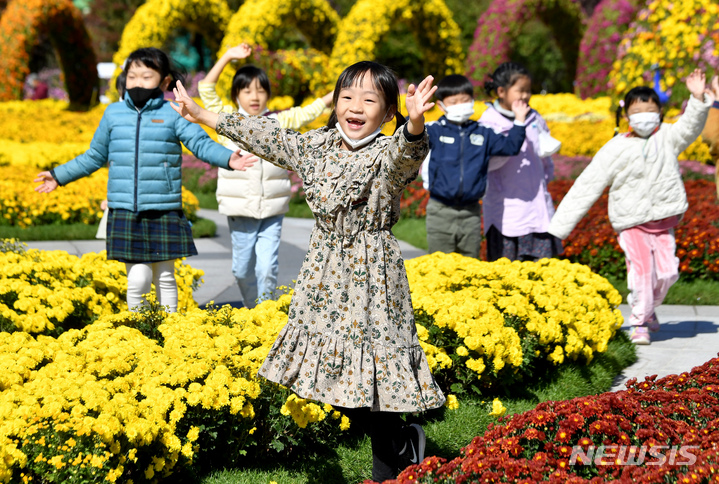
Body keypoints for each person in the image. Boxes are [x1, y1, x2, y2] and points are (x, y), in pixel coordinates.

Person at [171, 61, 445, 481]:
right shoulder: (316, 145)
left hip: (373, 272)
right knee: (334, 383)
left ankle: (390, 465)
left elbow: (404, 161)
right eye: (347, 97)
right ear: (335, 102)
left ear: (388, 112)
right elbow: (268, 136)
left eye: (369, 100)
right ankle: (403, 441)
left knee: (375, 381)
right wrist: (204, 115)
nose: (355, 107)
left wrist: (413, 125)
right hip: (324, 274)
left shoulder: (386, 150)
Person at [33, 47, 253, 313]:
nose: (137, 82)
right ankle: (141, 328)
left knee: (165, 277)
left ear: (164, 82)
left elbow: (200, 143)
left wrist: (229, 158)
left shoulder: (174, 112)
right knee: (138, 279)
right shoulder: (113, 114)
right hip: (125, 211)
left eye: (146, 76)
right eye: (132, 76)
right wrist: (58, 176)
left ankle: (169, 330)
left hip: (163, 208)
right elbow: (93, 156)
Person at [548, 69, 716, 345]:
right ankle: (639, 322)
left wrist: (697, 98)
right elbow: (587, 185)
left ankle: (648, 310)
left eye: (650, 110)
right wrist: (559, 227)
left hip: (663, 221)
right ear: (627, 116)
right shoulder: (615, 148)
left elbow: (690, 126)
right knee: (642, 273)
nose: (644, 117)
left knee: (668, 274)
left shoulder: (668, 138)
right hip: (631, 222)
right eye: (638, 111)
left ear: (660, 112)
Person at [198, 43, 333, 308]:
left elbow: (309, 112)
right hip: (241, 210)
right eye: (247, 90)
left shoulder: (277, 122)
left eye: (260, 90)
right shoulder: (227, 121)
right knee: (241, 270)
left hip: (272, 210)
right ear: (237, 94)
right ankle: (252, 311)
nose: (254, 96)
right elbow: (206, 90)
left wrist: (334, 95)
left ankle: (265, 313)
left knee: (267, 268)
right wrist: (227, 56)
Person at [420, 73, 529, 258]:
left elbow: (510, 147)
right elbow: (407, 135)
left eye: (465, 100)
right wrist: (415, 115)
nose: (460, 105)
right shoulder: (434, 130)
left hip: (471, 212)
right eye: (454, 102)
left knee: (470, 265)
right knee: (439, 264)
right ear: (441, 105)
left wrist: (519, 121)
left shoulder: (483, 133)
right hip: (440, 210)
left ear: (472, 101)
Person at [480, 62, 563, 261]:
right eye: (520, 91)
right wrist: (517, 124)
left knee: (540, 270)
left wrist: (545, 178)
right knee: (507, 272)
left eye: (528, 91)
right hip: (506, 209)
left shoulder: (534, 116)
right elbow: (488, 161)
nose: (525, 96)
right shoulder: (489, 121)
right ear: (501, 91)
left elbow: (545, 155)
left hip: (536, 202)